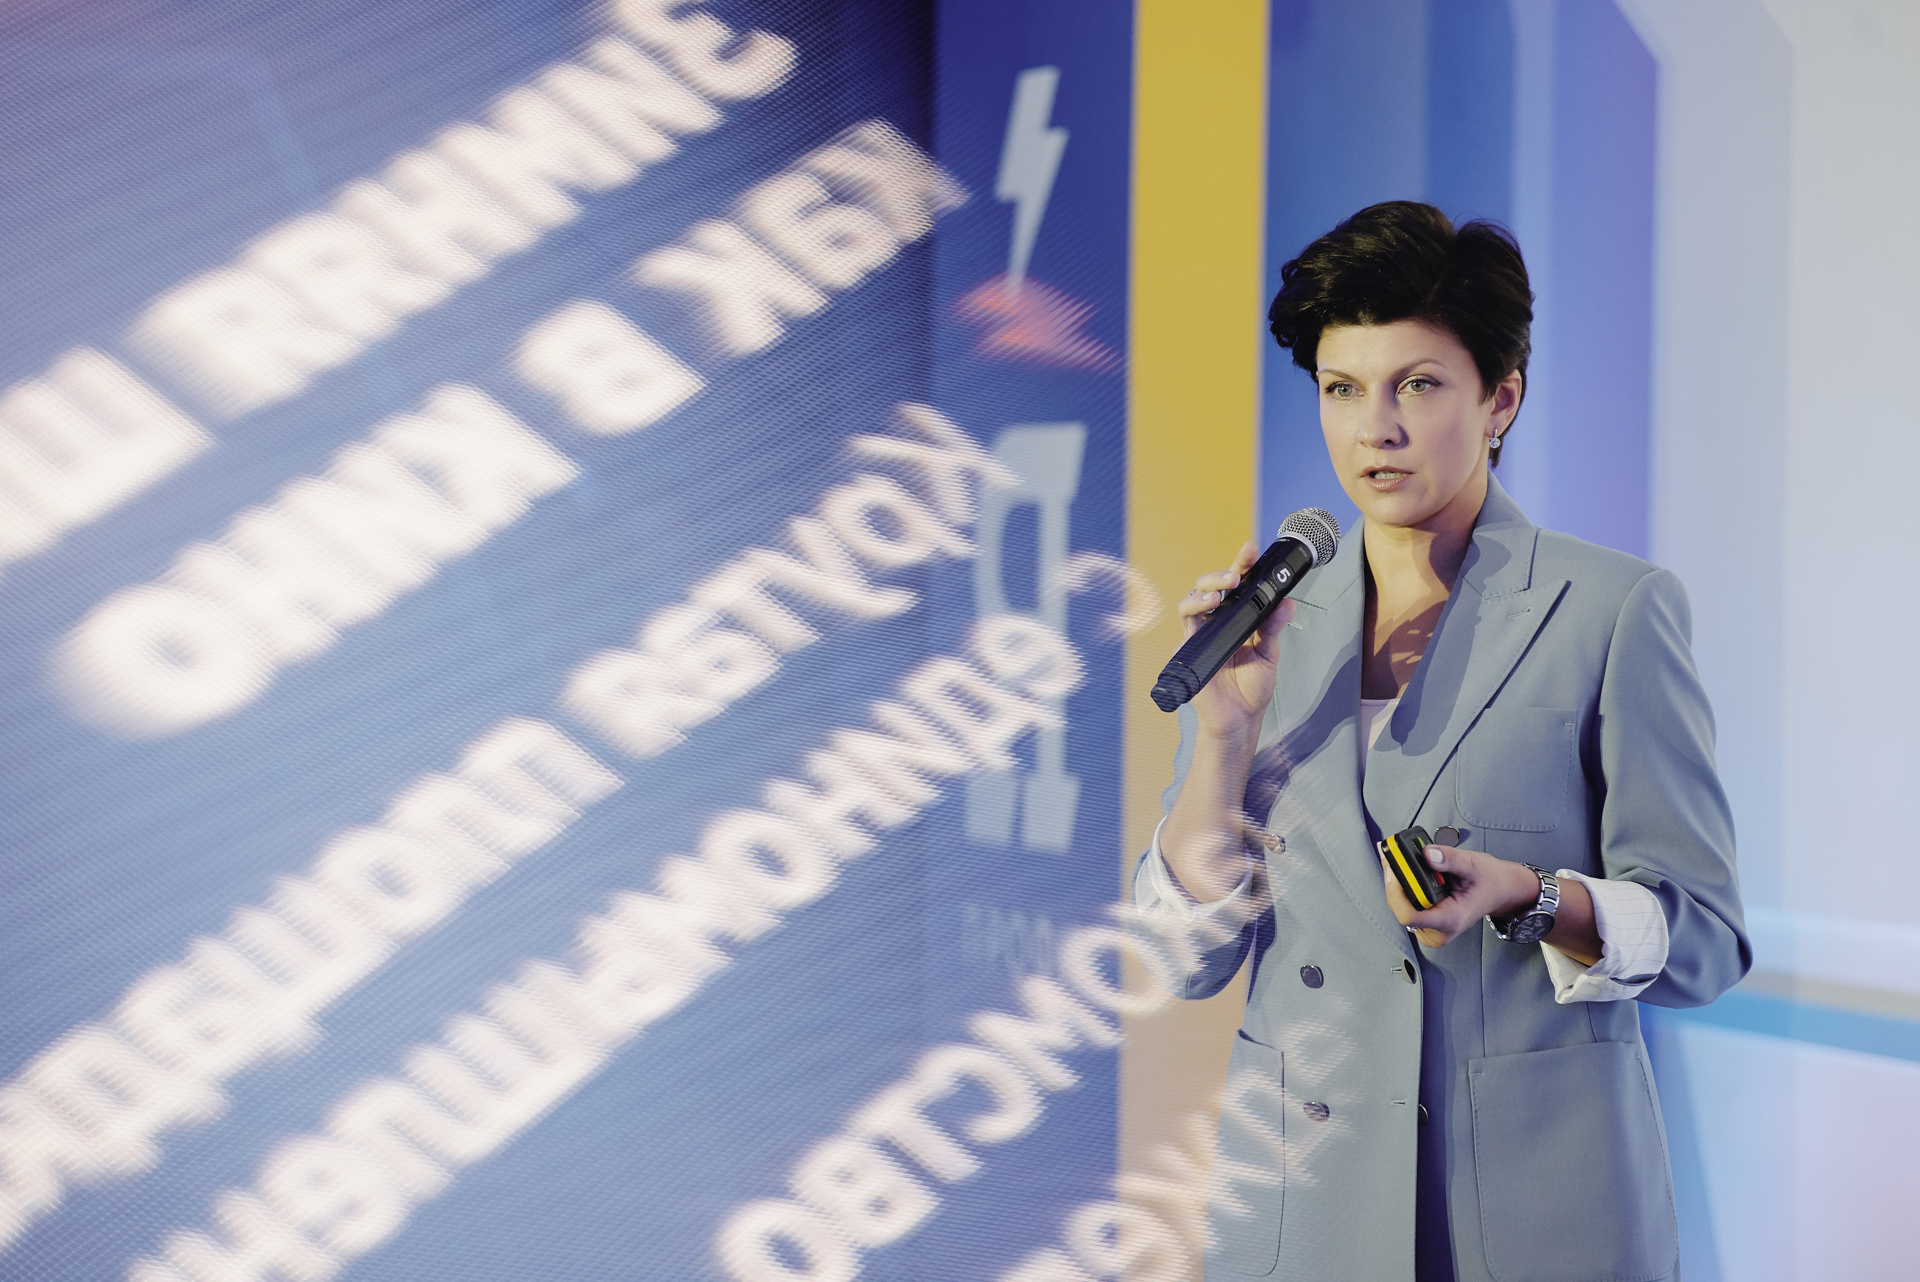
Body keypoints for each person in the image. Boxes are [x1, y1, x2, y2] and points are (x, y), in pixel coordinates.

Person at [1135, 201, 1748, 1282]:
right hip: (1302, 1205)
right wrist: (1222, 736)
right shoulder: (1269, 622)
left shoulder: (1613, 608)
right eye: (1342, 388)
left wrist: (1532, 896)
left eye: (1416, 386)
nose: (1376, 428)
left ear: (1501, 397)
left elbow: (1704, 939)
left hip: (1535, 1204)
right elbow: (1183, 962)